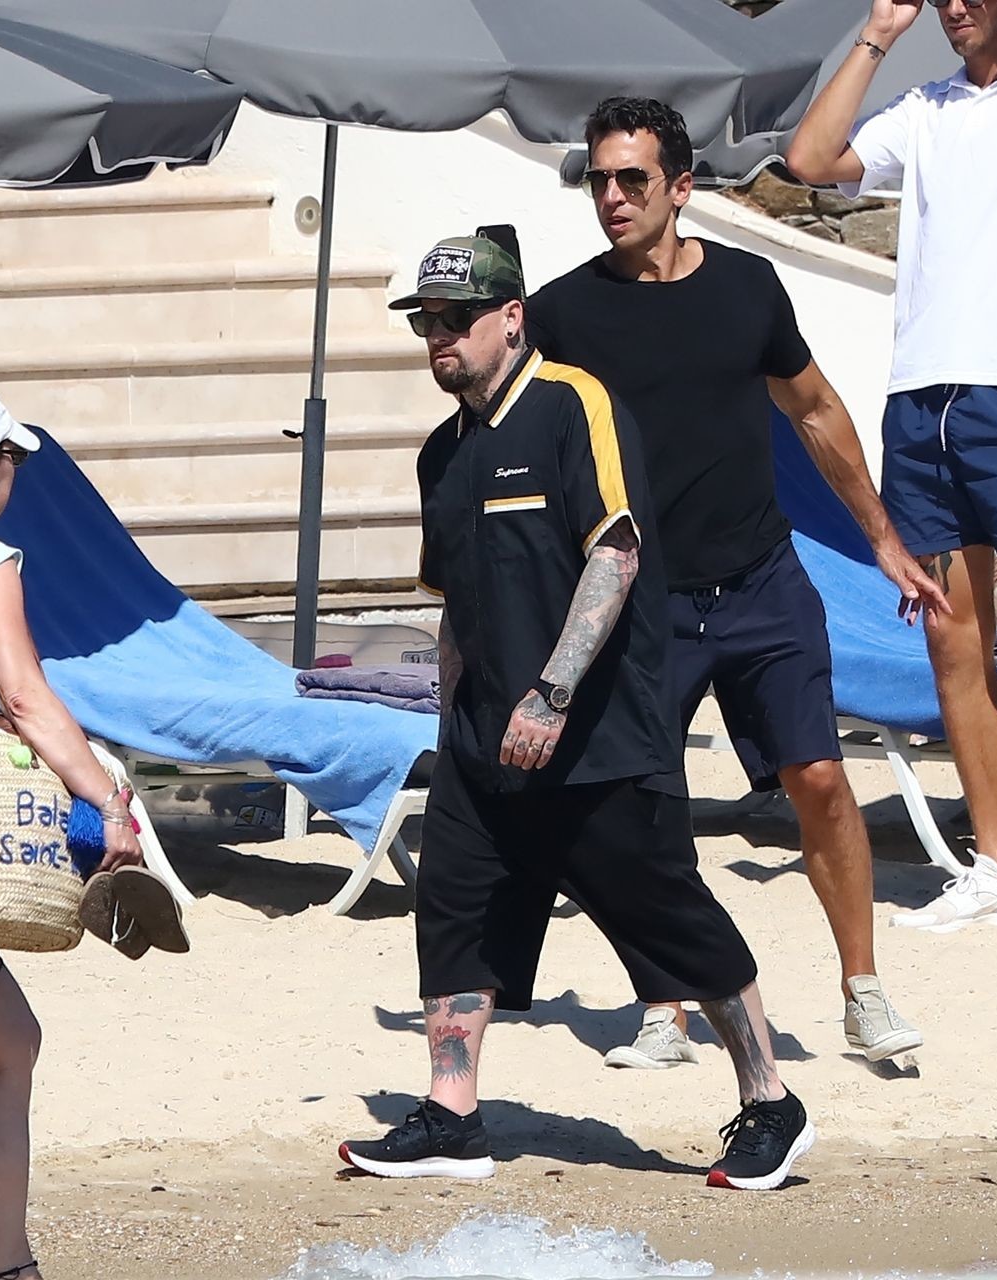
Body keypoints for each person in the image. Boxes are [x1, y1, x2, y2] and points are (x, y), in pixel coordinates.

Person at [338, 238, 812, 1191]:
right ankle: (452, 1116)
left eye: (457, 318)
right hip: (483, 740)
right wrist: (452, 729)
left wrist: (552, 693)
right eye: (427, 322)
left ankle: (770, 1100)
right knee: (454, 912)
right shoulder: (442, 455)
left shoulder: (570, 403)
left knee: (661, 912)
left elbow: (616, 552)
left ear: (512, 317)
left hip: (596, 733)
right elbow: (456, 607)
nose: (439, 337)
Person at [525, 98, 940, 1069]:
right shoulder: (563, 312)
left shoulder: (748, 287)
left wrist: (883, 539)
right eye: (599, 180)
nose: (613, 196)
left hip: (761, 580)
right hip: (643, 600)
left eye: (632, 179)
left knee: (821, 777)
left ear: (681, 187)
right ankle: (663, 1007)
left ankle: (863, 991)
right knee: (643, 800)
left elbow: (817, 411)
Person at [786, 0, 997, 944]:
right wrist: (878, 32)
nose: (954, 9)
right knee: (951, 640)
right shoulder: (923, 107)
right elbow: (810, 160)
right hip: (922, 394)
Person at [0, 387, 155, 1280]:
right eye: (11, 461)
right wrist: (108, 799)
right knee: (9, 1046)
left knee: (7, 1038)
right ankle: (13, 1268)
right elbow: (25, 696)